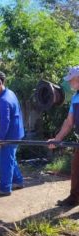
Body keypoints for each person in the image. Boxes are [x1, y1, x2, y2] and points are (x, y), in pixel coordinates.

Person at [0, 76, 25, 196]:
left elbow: (5, 121)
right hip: (16, 132)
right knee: (10, 158)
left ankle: (5, 188)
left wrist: (1, 138)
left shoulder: (4, 100)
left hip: (9, 135)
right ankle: (18, 181)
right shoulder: (9, 92)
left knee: (5, 161)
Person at [48, 66, 79, 206]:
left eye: (72, 80)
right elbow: (69, 122)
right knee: (76, 169)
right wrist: (57, 139)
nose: (70, 83)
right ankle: (75, 198)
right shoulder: (75, 98)